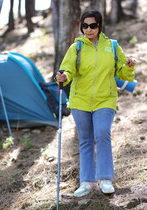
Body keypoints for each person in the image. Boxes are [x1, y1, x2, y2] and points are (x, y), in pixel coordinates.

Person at [56, 10, 136, 197]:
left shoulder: (113, 46)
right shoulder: (76, 48)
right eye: (85, 26)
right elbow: (67, 70)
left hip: (105, 98)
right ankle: (87, 182)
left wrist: (129, 67)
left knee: (102, 133)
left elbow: (123, 74)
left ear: (100, 26)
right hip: (80, 100)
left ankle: (106, 179)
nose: (88, 29)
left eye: (93, 25)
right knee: (85, 140)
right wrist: (63, 76)